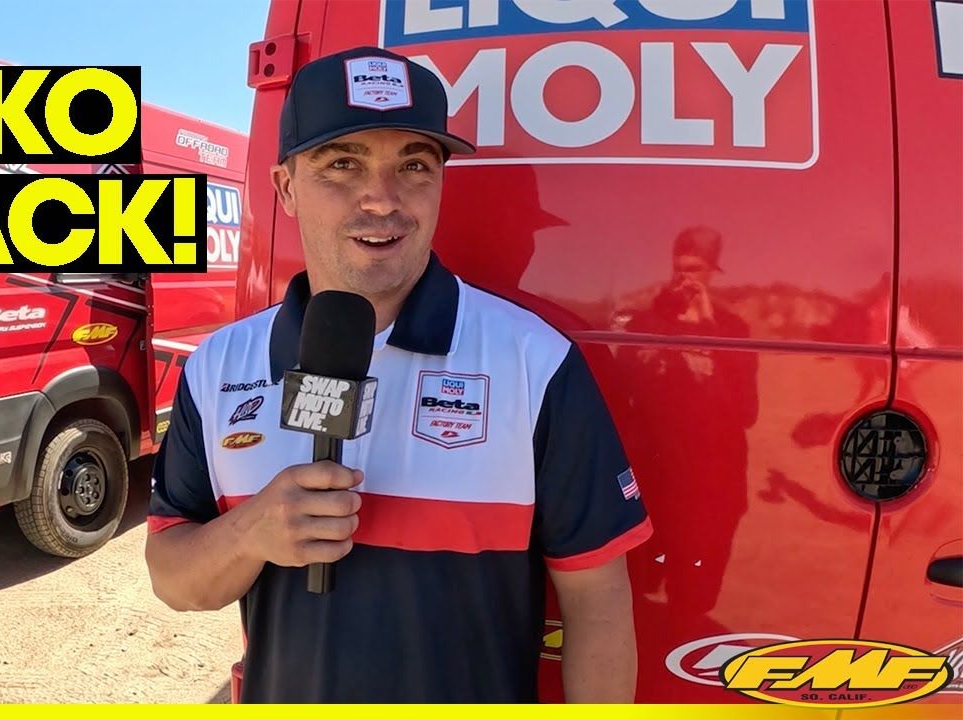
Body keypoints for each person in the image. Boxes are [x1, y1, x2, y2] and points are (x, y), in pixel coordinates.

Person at [144, 46, 653, 704]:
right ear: (286, 188)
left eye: (413, 166)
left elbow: (598, 603)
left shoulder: (535, 362)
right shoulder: (219, 367)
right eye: (342, 164)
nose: (381, 200)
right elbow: (174, 581)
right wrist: (252, 532)